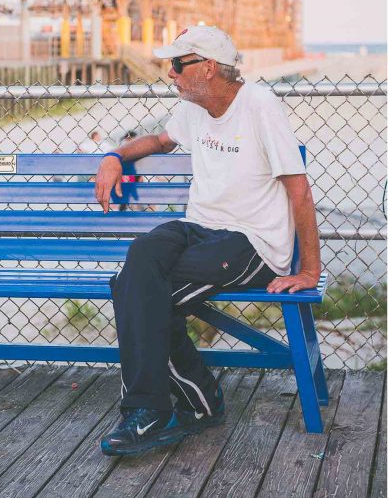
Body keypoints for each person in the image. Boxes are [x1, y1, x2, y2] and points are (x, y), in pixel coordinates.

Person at [95, 25, 321, 457]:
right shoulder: (193, 106)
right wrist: (114, 156)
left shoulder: (259, 105)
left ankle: (150, 411)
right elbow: (159, 140)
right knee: (139, 260)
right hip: (198, 227)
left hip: (252, 241)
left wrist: (309, 269)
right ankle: (199, 400)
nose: (171, 74)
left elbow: (299, 189)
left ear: (209, 68)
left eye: (178, 65)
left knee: (140, 294)